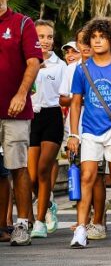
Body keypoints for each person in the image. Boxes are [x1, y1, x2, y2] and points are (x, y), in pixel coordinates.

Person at [67, 17, 111, 248]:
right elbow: (75, 104)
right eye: (93, 37)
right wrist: (73, 134)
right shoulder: (82, 69)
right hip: (90, 131)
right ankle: (80, 230)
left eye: (102, 37)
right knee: (86, 177)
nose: (97, 41)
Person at [0, 0, 42, 246]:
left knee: (17, 167)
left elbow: (34, 62)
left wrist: (21, 93)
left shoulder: (22, 23)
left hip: (13, 110)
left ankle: (23, 223)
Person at [28, 19, 67, 238]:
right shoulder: (26, 61)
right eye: (41, 36)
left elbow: (65, 97)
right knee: (31, 177)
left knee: (44, 169)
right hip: (31, 117)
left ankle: (40, 221)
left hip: (52, 116)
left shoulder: (60, 66)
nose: (45, 41)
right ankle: (49, 202)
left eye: (49, 37)